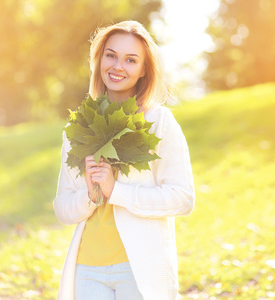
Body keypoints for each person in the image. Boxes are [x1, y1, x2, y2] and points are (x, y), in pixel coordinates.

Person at [53, 20, 195, 300]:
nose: (118, 66)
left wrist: (116, 191)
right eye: (111, 55)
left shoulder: (158, 122)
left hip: (139, 268)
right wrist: (90, 195)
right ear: (100, 59)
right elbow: (62, 207)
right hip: (87, 268)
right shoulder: (80, 128)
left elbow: (182, 198)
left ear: (144, 70)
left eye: (131, 60)